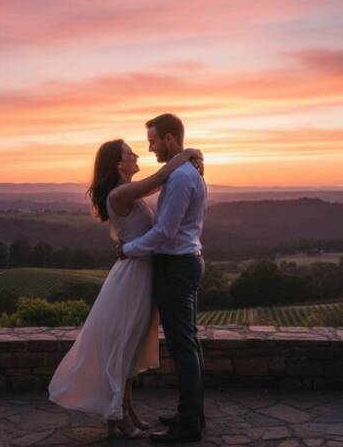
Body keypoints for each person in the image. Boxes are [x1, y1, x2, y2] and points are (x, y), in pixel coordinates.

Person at [47, 135, 203, 440]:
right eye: (131, 154)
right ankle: (114, 416)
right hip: (131, 277)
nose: (137, 157)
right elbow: (160, 177)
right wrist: (189, 153)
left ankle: (127, 410)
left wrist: (186, 160)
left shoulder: (129, 193)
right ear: (119, 163)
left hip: (142, 273)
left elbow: (162, 181)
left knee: (130, 350)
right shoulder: (120, 195)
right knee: (121, 348)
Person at [118, 113, 208, 444]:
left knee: (184, 345)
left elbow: (165, 232)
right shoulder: (185, 171)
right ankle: (192, 414)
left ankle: (189, 423)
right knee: (190, 342)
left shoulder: (183, 177)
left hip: (177, 266)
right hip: (186, 262)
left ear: (170, 139)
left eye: (154, 141)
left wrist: (128, 249)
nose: (151, 147)